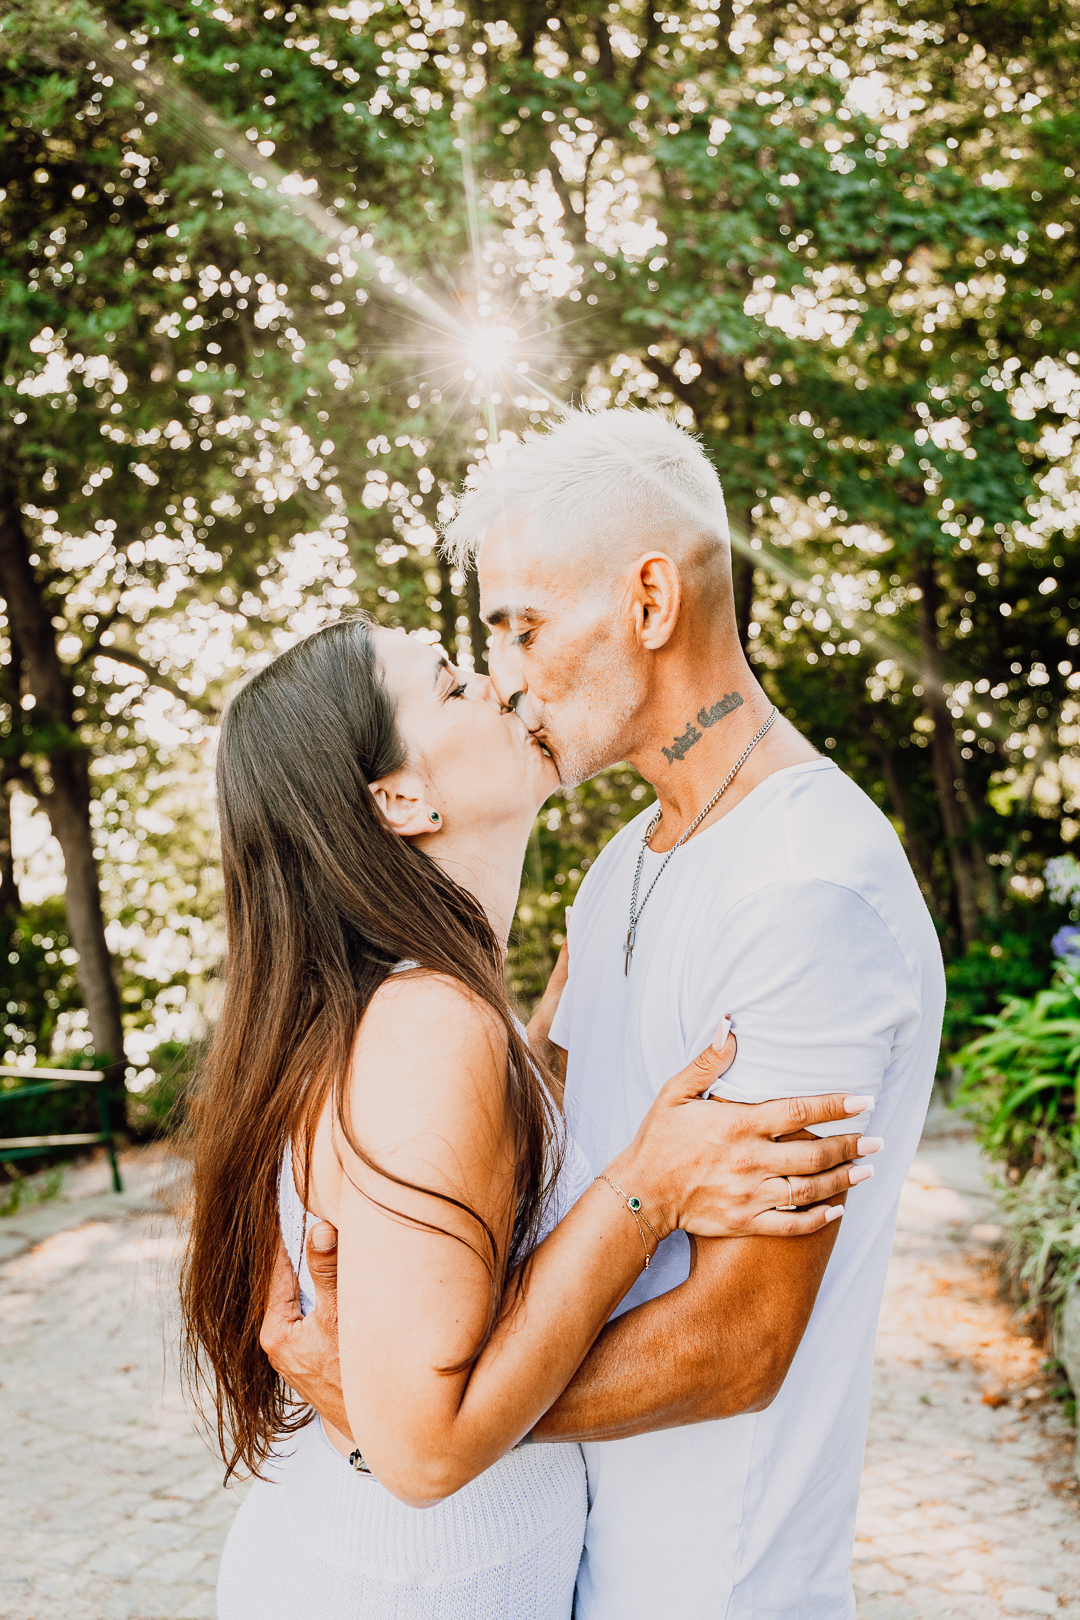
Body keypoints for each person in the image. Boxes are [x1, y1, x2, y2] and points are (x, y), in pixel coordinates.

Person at [263, 408, 946, 1620]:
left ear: (647, 601)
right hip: (565, 1566)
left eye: (522, 627)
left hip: (714, 1582)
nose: (508, 677)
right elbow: (536, 1190)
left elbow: (740, 1342)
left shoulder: (809, 889)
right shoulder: (616, 871)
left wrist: (410, 1417)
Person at [182, 613, 874, 1620]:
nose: (503, 684)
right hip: (410, 1585)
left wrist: (544, 1042)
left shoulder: (420, 1007)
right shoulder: (430, 1023)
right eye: (454, 684)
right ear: (402, 797)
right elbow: (420, 1448)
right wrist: (648, 1185)